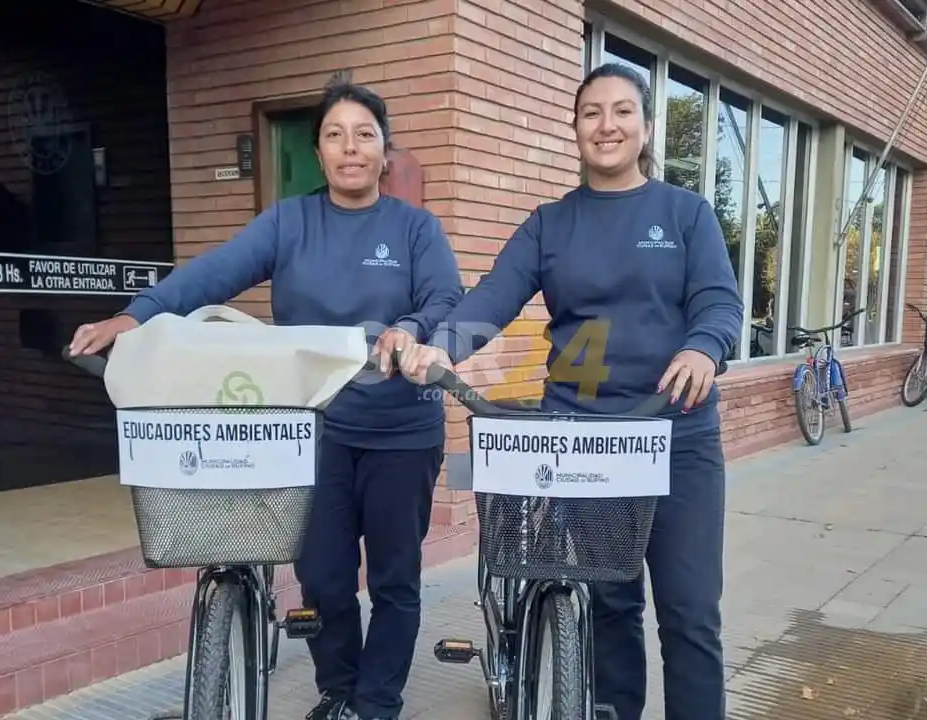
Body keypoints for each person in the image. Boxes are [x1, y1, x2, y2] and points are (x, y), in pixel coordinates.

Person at [68, 74, 464, 720]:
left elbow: (446, 297)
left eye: (365, 135)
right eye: (334, 135)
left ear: (384, 152)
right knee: (323, 576)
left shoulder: (416, 229)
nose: (350, 147)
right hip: (312, 429)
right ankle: (340, 690)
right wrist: (137, 315)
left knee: (395, 579)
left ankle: (376, 704)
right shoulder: (290, 222)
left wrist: (412, 329)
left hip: (400, 430)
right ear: (319, 153)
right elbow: (214, 273)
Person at [399, 62, 743, 720]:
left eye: (622, 111)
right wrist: (440, 346)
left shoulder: (685, 214)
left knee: (690, 614)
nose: (606, 125)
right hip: (589, 440)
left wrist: (704, 347)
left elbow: (719, 303)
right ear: (576, 129)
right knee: (610, 605)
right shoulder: (550, 224)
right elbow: (493, 297)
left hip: (676, 436)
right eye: (591, 113)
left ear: (645, 128)